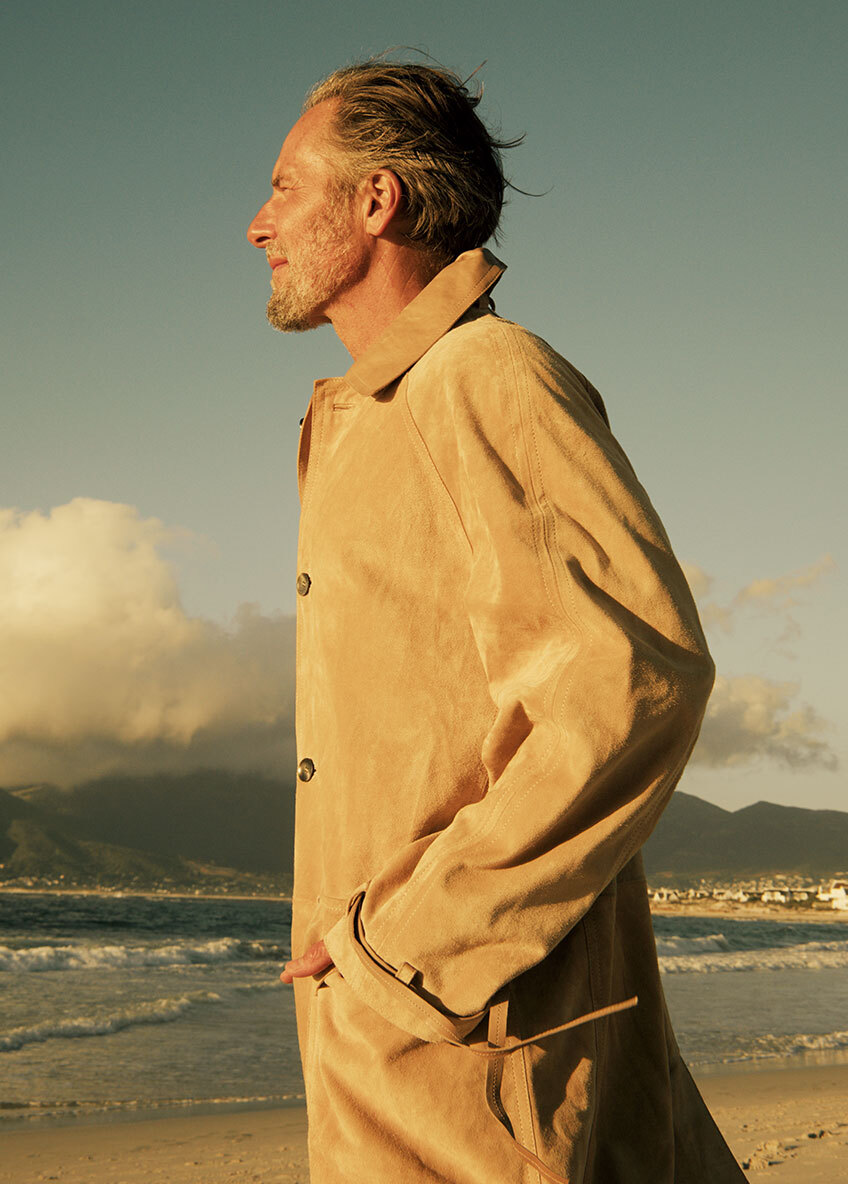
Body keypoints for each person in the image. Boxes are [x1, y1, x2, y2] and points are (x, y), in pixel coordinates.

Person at [247, 60, 745, 1184]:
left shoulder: (486, 377)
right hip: (414, 1027)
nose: (257, 224)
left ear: (375, 202)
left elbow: (632, 679)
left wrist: (405, 948)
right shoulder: (378, 411)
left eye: (285, 186)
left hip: (469, 1042)